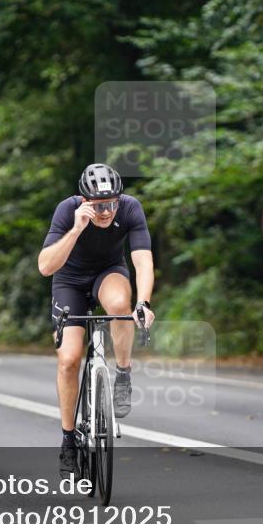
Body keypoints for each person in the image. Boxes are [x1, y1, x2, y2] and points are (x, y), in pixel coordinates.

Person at [38, 163, 156, 479]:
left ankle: (123, 374)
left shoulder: (130, 209)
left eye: (111, 203)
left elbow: (143, 261)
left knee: (120, 305)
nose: (106, 212)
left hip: (108, 274)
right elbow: (45, 267)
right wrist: (76, 229)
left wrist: (143, 302)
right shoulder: (67, 210)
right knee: (69, 360)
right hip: (69, 281)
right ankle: (68, 440)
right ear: (84, 200)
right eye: (98, 205)